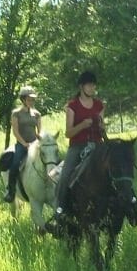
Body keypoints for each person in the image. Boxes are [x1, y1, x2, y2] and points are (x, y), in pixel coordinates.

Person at [47, 70, 106, 233]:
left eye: (94, 85)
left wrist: (101, 127)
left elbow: (102, 126)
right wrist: (82, 125)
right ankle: (59, 212)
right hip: (77, 146)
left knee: (117, 166)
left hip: (97, 144)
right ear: (82, 87)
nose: (93, 87)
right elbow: (68, 133)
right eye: (89, 85)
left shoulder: (99, 105)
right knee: (65, 175)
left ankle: (130, 204)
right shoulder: (72, 106)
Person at [4, 86, 42, 202]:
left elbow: (39, 131)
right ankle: (11, 192)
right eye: (29, 99)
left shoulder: (37, 114)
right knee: (15, 164)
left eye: (33, 99)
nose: (31, 101)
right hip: (22, 144)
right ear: (23, 100)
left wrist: (38, 142)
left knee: (50, 160)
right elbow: (15, 131)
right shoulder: (16, 113)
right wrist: (24, 143)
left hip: (35, 144)